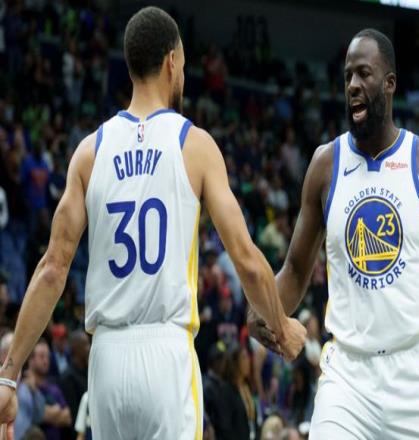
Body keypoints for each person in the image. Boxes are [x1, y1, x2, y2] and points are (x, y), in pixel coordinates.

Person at [0, 6, 306, 440]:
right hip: (166, 355)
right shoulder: (194, 144)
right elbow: (246, 259)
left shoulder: (89, 151)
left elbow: (52, 269)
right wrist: (282, 327)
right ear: (172, 62)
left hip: (106, 360)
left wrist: (8, 375)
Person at [249, 28, 419, 439]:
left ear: (389, 83)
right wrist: (263, 307)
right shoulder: (325, 165)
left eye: (364, 73)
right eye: (347, 75)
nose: (352, 84)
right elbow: (294, 269)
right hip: (347, 376)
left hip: (416, 373)